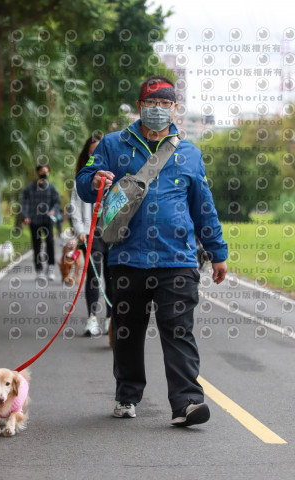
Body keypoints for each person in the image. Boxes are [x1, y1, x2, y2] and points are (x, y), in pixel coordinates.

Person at [76, 76, 228, 427]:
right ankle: (127, 395)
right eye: (151, 103)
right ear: (140, 105)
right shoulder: (115, 145)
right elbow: (84, 182)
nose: (158, 110)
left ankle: (188, 402)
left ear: (175, 108)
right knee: (128, 330)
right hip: (127, 257)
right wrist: (94, 180)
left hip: (177, 259)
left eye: (165, 104)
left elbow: (203, 206)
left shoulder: (189, 153)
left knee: (178, 331)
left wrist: (217, 252)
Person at [70, 135, 113, 337]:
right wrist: (80, 231)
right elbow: (75, 208)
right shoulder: (82, 179)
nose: (96, 154)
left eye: (100, 151)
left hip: (112, 234)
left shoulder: (116, 175)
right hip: (90, 234)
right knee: (94, 277)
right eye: (92, 151)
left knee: (113, 278)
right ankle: (91, 319)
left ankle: (110, 321)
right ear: (88, 154)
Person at [21, 164, 61, 280]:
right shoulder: (29, 188)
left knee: (50, 243)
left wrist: (53, 210)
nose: (44, 174)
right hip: (34, 220)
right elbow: (24, 203)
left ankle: (51, 268)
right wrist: (26, 216)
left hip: (47, 220)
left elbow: (57, 202)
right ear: (37, 172)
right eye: (42, 171)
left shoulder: (52, 188)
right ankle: (39, 271)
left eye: (46, 172)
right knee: (37, 245)